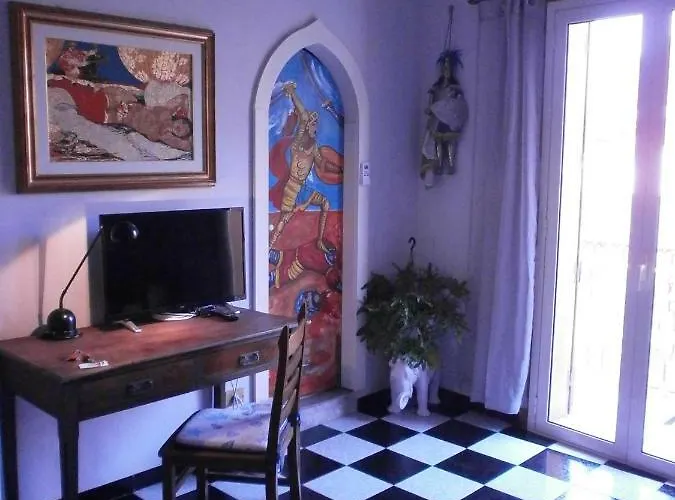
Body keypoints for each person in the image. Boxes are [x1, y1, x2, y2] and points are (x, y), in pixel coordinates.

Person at [269, 82, 343, 253]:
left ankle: (319, 241)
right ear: (307, 126)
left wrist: (339, 170)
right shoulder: (298, 144)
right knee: (284, 219)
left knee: (325, 203)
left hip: (304, 188)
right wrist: (293, 93)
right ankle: (270, 246)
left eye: (316, 124)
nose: (316, 127)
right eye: (313, 124)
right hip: (292, 187)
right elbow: (303, 115)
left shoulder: (314, 147)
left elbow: (322, 165)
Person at [48, 76, 193, 153]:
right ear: (180, 118)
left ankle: (63, 97)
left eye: (183, 131)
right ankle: (64, 88)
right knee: (93, 97)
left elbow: (188, 147)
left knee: (89, 111)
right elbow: (184, 97)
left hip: (121, 118)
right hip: (128, 103)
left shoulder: (165, 136)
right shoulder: (167, 112)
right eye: (183, 123)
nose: (182, 127)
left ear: (180, 136)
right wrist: (187, 110)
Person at [421, 49, 468, 179]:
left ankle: (451, 164)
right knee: (438, 141)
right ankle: (439, 164)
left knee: (450, 141)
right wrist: (431, 109)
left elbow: (458, 102)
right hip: (438, 118)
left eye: (448, 68)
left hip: (449, 119)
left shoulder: (454, 87)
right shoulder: (437, 87)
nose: (446, 70)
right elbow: (432, 100)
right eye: (445, 67)